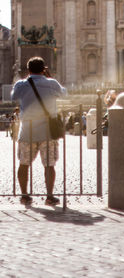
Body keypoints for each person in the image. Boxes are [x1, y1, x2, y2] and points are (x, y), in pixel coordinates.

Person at [11, 56, 67, 206]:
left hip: (27, 130)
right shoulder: (52, 83)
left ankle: (24, 195)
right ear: (44, 69)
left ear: (28, 70)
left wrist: (26, 81)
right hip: (48, 130)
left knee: (24, 164)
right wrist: (49, 78)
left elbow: (13, 97)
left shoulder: (21, 84)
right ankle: (49, 196)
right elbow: (64, 94)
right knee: (49, 165)